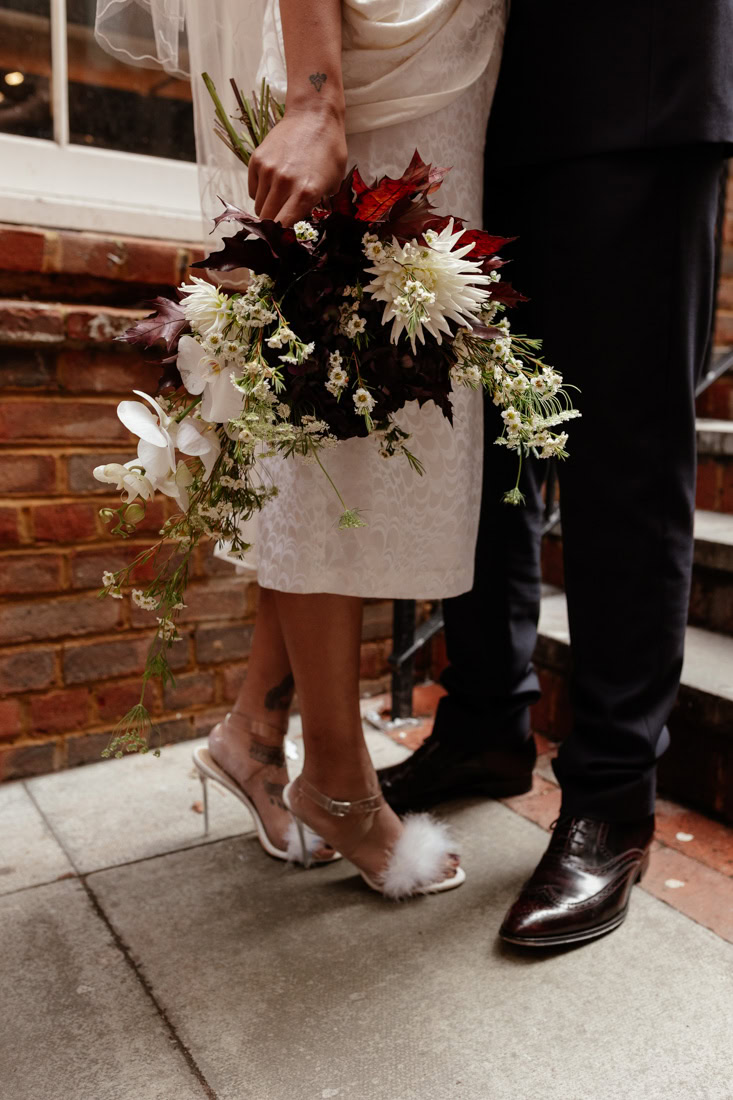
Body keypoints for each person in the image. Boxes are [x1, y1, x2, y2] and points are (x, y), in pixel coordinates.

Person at [95, 0, 506, 897]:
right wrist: (317, 96)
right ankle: (336, 777)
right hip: (368, 50)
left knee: (342, 394)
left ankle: (252, 730)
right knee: (334, 400)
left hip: (448, 54)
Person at [378, 0, 733, 940]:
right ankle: (484, 726)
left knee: (618, 453)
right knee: (481, 447)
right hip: (475, 95)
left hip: (635, 77)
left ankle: (612, 798)